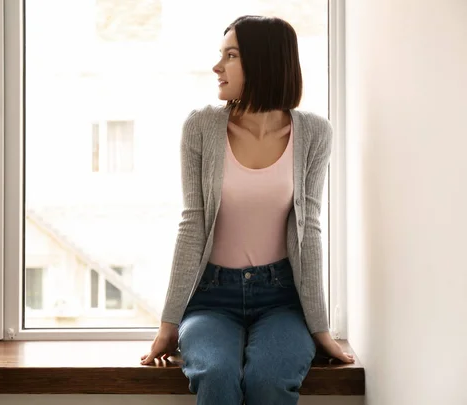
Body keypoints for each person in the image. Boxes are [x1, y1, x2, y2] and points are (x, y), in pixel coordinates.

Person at [141, 15, 354, 405]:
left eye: (231, 55)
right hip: (211, 298)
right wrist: (168, 323)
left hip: (281, 299)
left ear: (264, 62)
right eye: (221, 55)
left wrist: (320, 329)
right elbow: (193, 225)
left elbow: (310, 231)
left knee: (269, 380)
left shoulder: (313, 132)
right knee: (217, 375)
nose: (217, 67)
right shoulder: (201, 127)